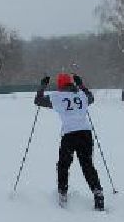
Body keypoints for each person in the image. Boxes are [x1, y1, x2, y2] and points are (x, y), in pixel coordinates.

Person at [33, 71, 103, 210]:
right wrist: (81, 85)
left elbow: (38, 100)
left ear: (60, 85)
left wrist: (43, 86)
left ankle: (63, 193)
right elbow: (91, 97)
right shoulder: (81, 95)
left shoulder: (57, 97)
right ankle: (98, 193)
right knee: (87, 164)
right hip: (85, 133)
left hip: (69, 135)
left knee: (64, 164)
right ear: (71, 83)